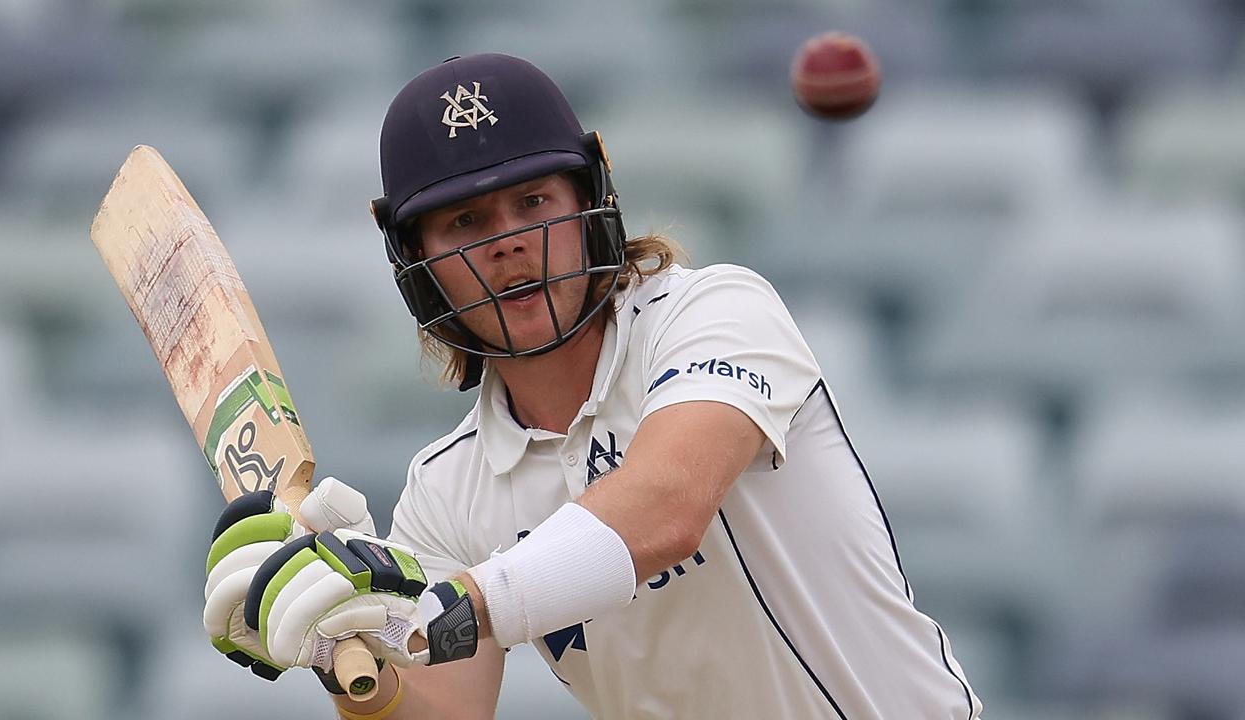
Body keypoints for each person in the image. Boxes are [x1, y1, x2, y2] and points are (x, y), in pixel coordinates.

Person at [202, 53, 983, 719]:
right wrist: (349, 649)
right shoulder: (445, 493)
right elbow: (441, 709)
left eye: (533, 202)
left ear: (590, 204)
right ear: (418, 262)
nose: (509, 245)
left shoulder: (715, 313)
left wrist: (448, 608)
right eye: (465, 223)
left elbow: (665, 507)